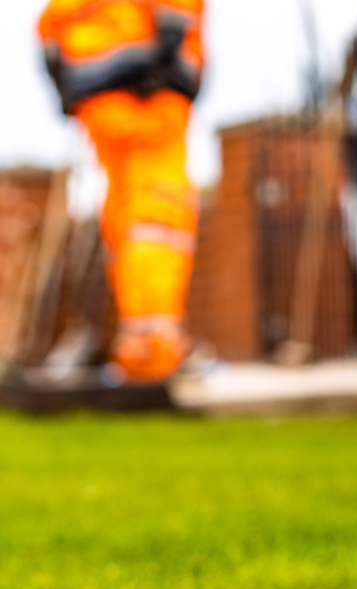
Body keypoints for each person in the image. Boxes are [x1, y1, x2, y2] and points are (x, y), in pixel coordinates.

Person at [38, 0, 205, 382]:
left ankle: (137, 344)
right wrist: (165, 54)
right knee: (159, 216)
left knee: (124, 218)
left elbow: (48, 30)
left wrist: (64, 85)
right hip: (150, 92)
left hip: (94, 94)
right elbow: (176, 16)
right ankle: (153, 350)